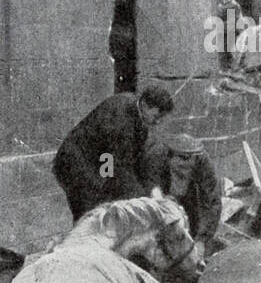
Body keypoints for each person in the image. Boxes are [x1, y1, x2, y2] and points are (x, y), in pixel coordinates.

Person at [52, 86, 174, 222]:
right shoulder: (119, 119)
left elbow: (132, 160)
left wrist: (152, 190)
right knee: (92, 215)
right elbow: (113, 163)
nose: (157, 122)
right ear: (145, 104)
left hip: (99, 161)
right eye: (156, 116)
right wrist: (140, 197)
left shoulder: (136, 110)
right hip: (76, 164)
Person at [143, 133, 222, 255]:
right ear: (170, 156)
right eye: (182, 158)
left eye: (190, 158)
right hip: (164, 189)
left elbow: (212, 201)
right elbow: (152, 188)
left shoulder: (202, 161)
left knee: (196, 224)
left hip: (190, 194)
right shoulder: (156, 157)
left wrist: (202, 239)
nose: (187, 162)